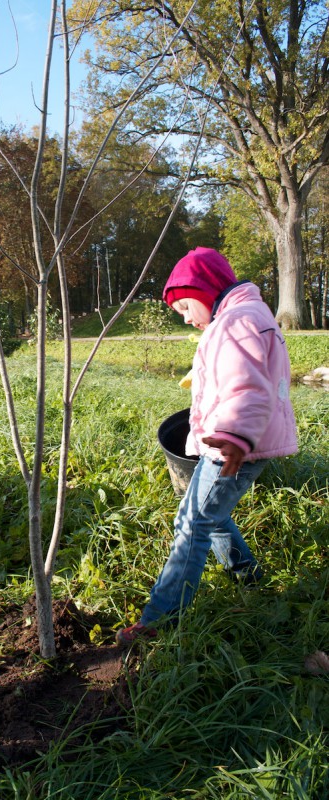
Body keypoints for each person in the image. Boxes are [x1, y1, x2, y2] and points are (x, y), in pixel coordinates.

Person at [116, 247, 298, 646]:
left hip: (236, 447)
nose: (184, 315)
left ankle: (160, 619)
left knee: (192, 523)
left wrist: (233, 436)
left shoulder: (235, 322)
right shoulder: (246, 315)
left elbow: (249, 387)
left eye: (184, 305)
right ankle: (248, 577)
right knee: (209, 516)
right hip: (240, 442)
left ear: (206, 289)